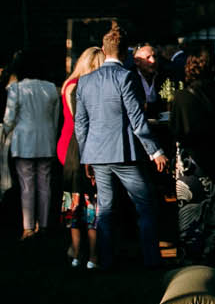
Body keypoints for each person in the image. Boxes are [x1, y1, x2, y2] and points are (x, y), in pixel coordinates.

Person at [73, 43, 170, 271]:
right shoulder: (125, 77)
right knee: (146, 206)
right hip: (124, 152)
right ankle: (151, 260)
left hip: (97, 153)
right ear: (126, 53)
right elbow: (137, 120)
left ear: (104, 51)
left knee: (105, 209)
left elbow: (81, 123)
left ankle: (105, 261)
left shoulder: (85, 81)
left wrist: (85, 155)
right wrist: (155, 151)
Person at [172, 50, 215, 263]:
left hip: (190, 165)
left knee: (190, 219)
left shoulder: (181, 97)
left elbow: (175, 130)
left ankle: (191, 263)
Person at [0, 56, 63, 241]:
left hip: (24, 142)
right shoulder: (50, 88)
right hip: (46, 139)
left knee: (27, 185)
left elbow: (9, 119)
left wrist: (3, 134)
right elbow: (55, 118)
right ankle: (43, 225)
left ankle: (27, 227)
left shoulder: (17, 89)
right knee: (45, 184)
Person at [58, 47, 106, 269]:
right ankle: (92, 254)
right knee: (91, 203)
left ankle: (76, 251)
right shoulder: (85, 88)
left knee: (73, 200)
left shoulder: (70, 85)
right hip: (82, 147)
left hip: (69, 147)